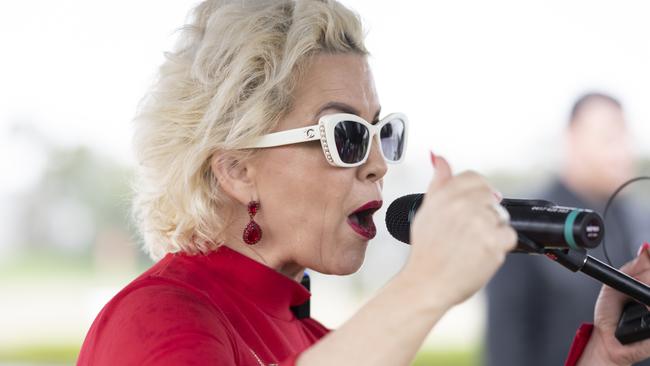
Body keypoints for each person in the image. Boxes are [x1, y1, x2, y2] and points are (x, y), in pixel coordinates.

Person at [77, 2, 650, 365]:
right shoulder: (158, 319)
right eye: (346, 135)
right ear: (236, 169)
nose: (377, 162)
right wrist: (424, 284)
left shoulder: (320, 341)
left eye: (382, 133)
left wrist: (604, 354)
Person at [486, 93, 650, 366]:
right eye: (608, 138)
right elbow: (507, 347)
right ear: (571, 140)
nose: (622, 151)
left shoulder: (637, 218)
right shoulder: (527, 223)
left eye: (625, 137)